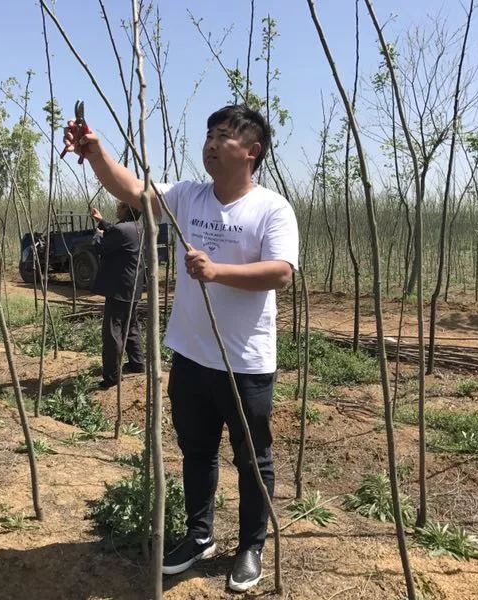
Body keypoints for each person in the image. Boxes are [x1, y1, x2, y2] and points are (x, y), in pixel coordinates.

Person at [64, 104, 298, 592]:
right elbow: (132, 191)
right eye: (209, 133)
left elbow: (281, 273)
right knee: (196, 452)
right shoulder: (189, 197)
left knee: (253, 458)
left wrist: (217, 272)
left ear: (252, 152)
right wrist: (97, 150)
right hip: (191, 356)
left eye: (225, 135)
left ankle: (251, 545)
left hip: (245, 363)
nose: (211, 142)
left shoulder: (271, 208)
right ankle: (199, 534)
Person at [90, 202, 145, 389]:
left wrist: (97, 234)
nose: (117, 208)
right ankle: (137, 363)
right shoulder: (138, 227)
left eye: (120, 206)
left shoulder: (122, 230)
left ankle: (112, 376)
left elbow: (99, 247)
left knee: (112, 332)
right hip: (133, 286)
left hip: (119, 288)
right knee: (131, 325)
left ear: (127, 210)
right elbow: (117, 231)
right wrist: (102, 220)